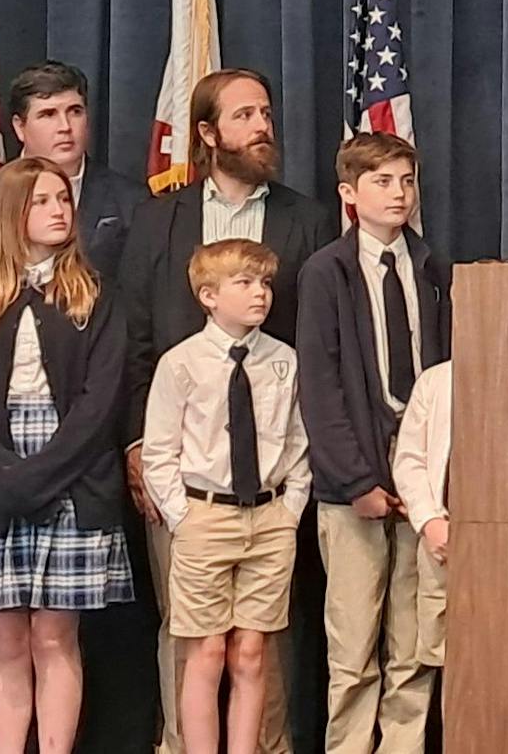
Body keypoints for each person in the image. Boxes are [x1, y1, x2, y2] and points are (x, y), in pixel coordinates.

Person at [0, 59, 152, 754]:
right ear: (10, 213)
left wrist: (44, 472)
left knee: (56, 633)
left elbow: (99, 399)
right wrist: (4, 474)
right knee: (5, 639)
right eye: (46, 201)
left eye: (66, 199)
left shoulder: (96, 296)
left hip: (71, 472)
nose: (62, 210)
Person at [119, 68, 336, 754]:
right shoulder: (160, 216)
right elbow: (135, 338)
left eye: (266, 113)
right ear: (208, 133)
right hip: (185, 470)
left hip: (269, 470)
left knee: (266, 634)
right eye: (244, 115)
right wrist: (137, 449)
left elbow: (315, 345)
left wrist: (294, 491)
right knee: (188, 629)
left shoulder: (308, 217)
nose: (262, 126)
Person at [297, 132, 451, 754]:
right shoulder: (325, 272)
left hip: (425, 487)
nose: (398, 194)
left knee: (415, 643)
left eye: (407, 181)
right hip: (352, 485)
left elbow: (444, 380)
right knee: (354, 645)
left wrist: (432, 488)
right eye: (383, 182)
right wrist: (356, 481)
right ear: (349, 194)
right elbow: (321, 386)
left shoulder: (432, 266)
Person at [141, 239, 311, 754]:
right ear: (208, 296)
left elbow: (299, 442)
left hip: (269, 518)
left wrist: (290, 507)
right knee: (207, 651)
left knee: (253, 653)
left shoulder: (284, 360)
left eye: (264, 283)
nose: (260, 294)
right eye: (245, 283)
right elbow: (159, 451)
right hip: (205, 517)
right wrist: (181, 516)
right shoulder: (181, 363)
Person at [0, 61, 146, 289]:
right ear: (20, 127)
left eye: (75, 112)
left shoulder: (131, 201)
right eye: (48, 114)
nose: (65, 127)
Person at [392, 360, 451, 706]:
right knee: (444, 660)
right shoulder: (436, 381)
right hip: (443, 540)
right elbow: (410, 459)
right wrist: (429, 521)